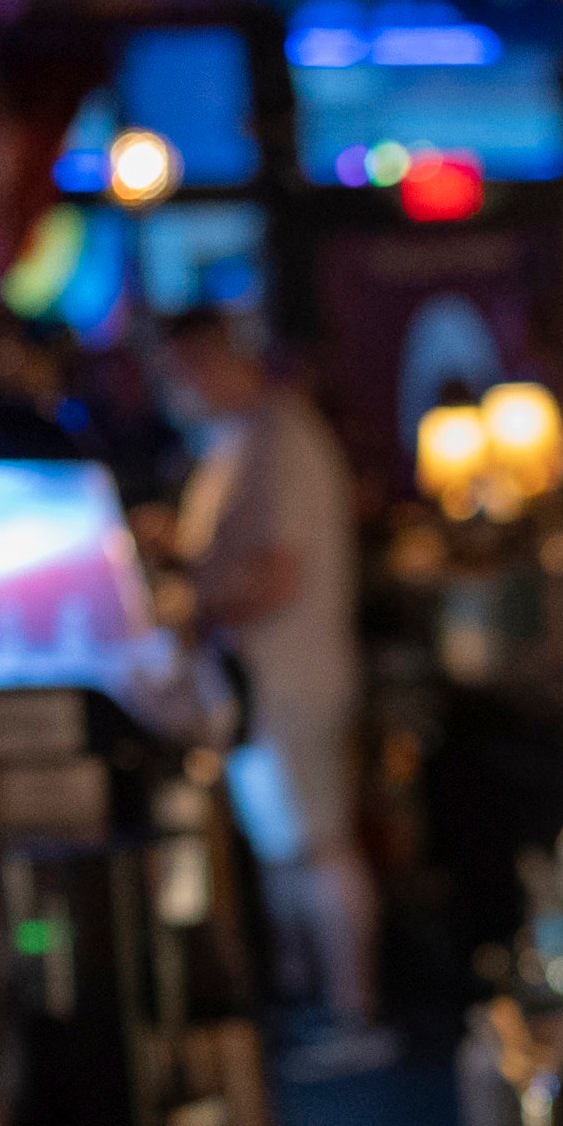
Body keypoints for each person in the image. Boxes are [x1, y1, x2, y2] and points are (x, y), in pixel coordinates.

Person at [157, 309, 384, 1075]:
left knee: (319, 845)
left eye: (182, 373)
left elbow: (277, 574)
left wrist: (193, 606)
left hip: (293, 678)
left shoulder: (282, 438)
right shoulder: (238, 440)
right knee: (288, 851)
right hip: (259, 681)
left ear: (216, 359)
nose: (174, 391)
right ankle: (314, 1003)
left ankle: (352, 1015)